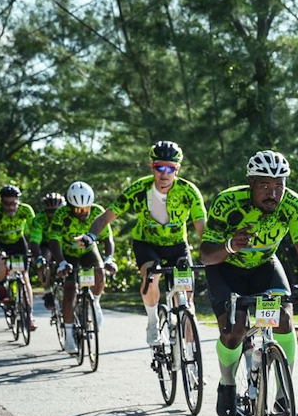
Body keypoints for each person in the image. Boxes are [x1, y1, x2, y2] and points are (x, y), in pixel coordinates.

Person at [200, 150, 298, 416]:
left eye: (279, 186)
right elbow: (205, 255)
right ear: (251, 183)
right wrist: (230, 245)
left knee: (284, 318)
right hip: (225, 270)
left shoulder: (292, 204)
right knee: (235, 330)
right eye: (265, 186)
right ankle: (227, 383)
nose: (273, 193)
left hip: (264, 267)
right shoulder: (228, 202)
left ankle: (283, 396)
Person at [83, 141, 205, 345]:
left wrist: (216, 252)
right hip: (147, 244)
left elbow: (203, 229)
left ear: (177, 169)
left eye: (170, 168)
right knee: (152, 275)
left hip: (177, 246)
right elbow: (106, 217)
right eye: (159, 168)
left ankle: (192, 366)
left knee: (187, 302)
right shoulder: (139, 188)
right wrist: (91, 236)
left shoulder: (189, 192)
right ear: (152, 167)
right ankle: (152, 321)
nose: (164, 174)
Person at [47, 181, 117, 352]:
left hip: (88, 251)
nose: (83, 213)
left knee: (100, 271)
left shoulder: (98, 211)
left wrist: (109, 258)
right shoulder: (61, 214)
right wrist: (62, 262)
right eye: (78, 210)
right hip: (68, 252)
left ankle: (96, 303)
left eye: (86, 209)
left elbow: (108, 239)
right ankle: (69, 333)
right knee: (70, 289)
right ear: (70, 206)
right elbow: (54, 241)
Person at [0, 184, 36, 323]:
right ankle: (2, 286)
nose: (10, 207)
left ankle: (30, 315)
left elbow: (34, 230)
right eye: (6, 204)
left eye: (13, 203)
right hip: (0, 243)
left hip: (19, 242)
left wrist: (34, 249)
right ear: (1, 202)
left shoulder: (26, 210)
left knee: (25, 277)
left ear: (18, 201)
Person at [30, 192, 65, 305]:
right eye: (49, 211)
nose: (53, 214)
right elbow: (35, 240)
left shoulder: (67, 216)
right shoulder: (40, 219)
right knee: (43, 261)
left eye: (56, 211)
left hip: (64, 243)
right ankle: (47, 291)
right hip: (47, 244)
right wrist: (38, 257)